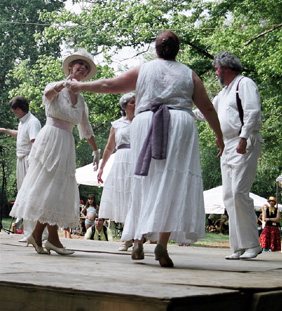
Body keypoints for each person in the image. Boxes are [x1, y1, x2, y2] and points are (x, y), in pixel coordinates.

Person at [67, 30, 224, 267]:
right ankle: (161, 244)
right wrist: (219, 136)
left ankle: (138, 238)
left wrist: (81, 86)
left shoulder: (145, 69)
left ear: (156, 48)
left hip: (146, 121)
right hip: (179, 123)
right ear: (177, 50)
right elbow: (208, 109)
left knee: (144, 180)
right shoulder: (189, 74)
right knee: (173, 183)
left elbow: (110, 84)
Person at [9, 49, 100, 255]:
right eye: (80, 66)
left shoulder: (81, 100)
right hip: (50, 139)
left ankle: (46, 237)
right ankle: (50, 238)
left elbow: (85, 127)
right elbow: (47, 95)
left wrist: (96, 150)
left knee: (58, 189)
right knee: (48, 186)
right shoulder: (55, 86)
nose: (83, 69)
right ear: (70, 68)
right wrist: (64, 84)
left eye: (86, 68)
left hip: (66, 143)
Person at [194, 51, 263, 260]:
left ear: (225, 68)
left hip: (244, 141)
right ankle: (239, 246)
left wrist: (243, 138)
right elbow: (204, 112)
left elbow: (252, 111)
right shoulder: (223, 94)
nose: (216, 73)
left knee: (239, 192)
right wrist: (178, 108)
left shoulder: (245, 84)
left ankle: (252, 244)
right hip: (227, 145)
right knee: (228, 196)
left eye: (216, 69)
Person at [0, 96, 42, 242]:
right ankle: (29, 232)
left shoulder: (33, 122)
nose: (13, 113)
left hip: (29, 162)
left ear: (18, 109)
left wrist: (32, 167)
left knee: (31, 196)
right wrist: (5, 130)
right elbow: (21, 135)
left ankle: (36, 234)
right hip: (22, 160)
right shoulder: (24, 122)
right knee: (24, 196)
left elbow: (36, 144)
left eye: (13, 110)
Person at [97, 93, 135, 251]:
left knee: (136, 196)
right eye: (133, 102)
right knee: (123, 197)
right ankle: (127, 238)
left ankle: (136, 236)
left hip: (138, 158)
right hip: (121, 160)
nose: (136, 104)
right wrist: (101, 167)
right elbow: (109, 147)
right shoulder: (117, 124)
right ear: (125, 106)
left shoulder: (143, 121)